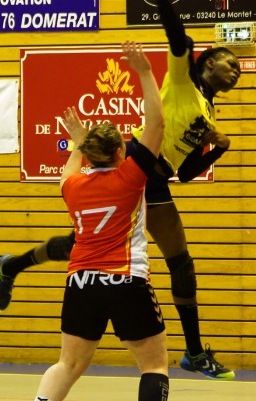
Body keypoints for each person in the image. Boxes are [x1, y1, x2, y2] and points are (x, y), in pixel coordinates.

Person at [0, 0, 241, 380]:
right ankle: (11, 266)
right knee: (80, 245)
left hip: (158, 179)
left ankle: (193, 352)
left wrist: (216, 150)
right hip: (134, 163)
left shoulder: (208, 112)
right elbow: (178, 39)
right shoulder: (184, 82)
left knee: (179, 262)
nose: (236, 71)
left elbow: (187, 172)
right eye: (230, 63)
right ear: (207, 63)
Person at [33, 41, 170, 401]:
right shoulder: (130, 177)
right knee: (154, 364)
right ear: (121, 152)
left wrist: (77, 141)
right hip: (126, 279)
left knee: (68, 364)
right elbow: (156, 123)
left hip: (81, 282)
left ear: (89, 155)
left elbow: (69, 171)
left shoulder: (72, 187)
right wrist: (144, 72)